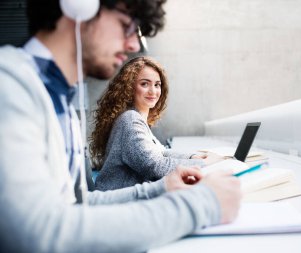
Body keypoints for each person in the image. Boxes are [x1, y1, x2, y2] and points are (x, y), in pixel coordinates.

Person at [0, 0, 242, 252]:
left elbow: (77, 206)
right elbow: (35, 233)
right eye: (126, 25)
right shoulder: (9, 87)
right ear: (79, 6)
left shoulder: (59, 101)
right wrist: (203, 205)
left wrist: (163, 187)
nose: (134, 45)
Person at [91, 56, 223, 191]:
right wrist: (204, 163)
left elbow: (162, 153)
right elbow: (155, 167)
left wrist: (193, 157)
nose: (153, 91)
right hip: (117, 204)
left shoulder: (138, 119)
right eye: (144, 84)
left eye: (157, 85)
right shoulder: (130, 120)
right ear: (129, 87)